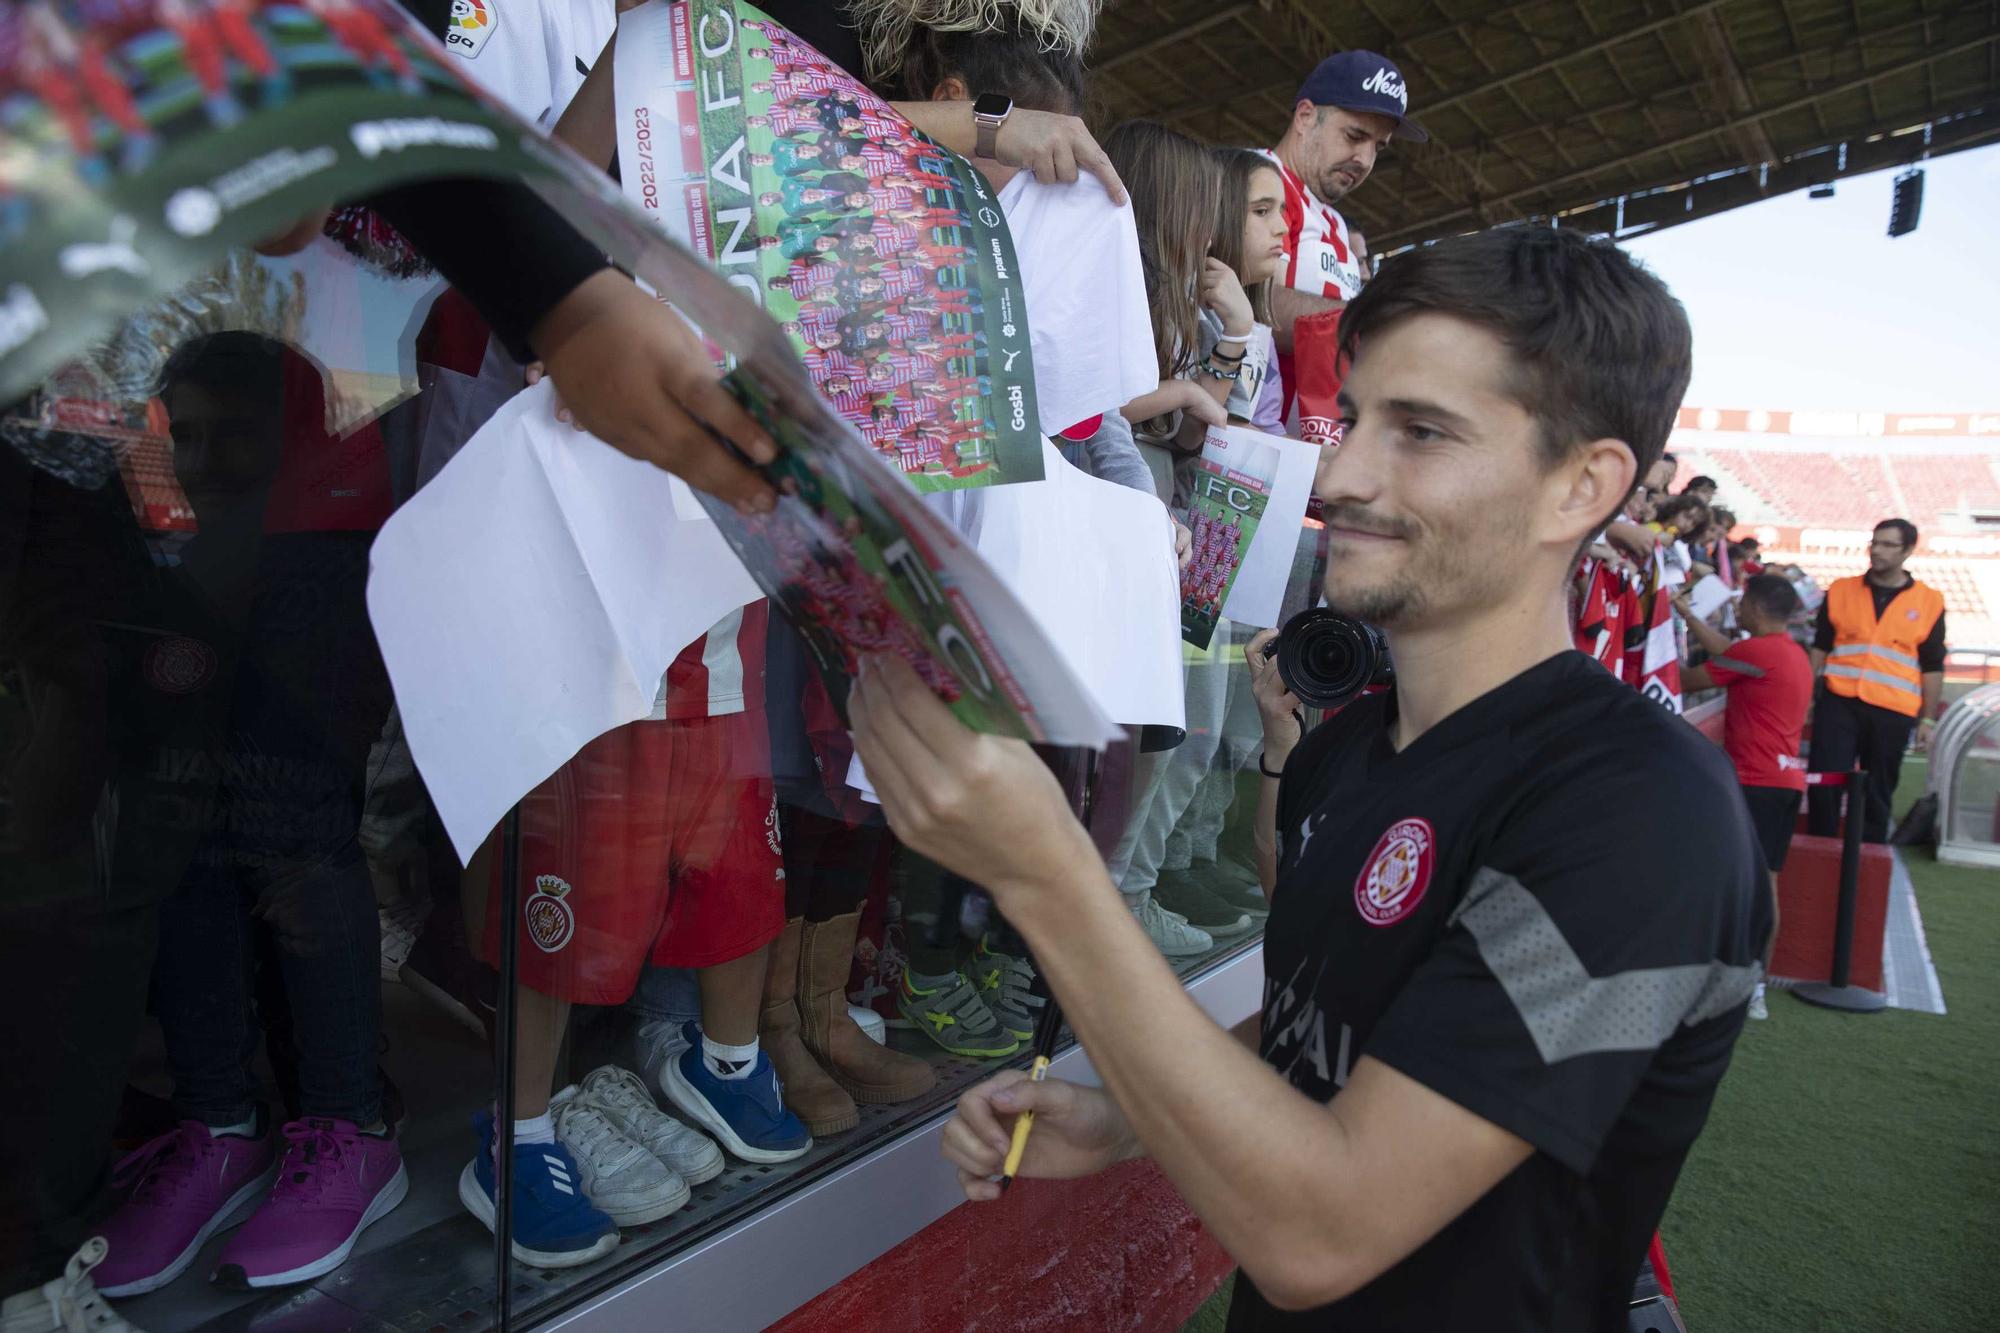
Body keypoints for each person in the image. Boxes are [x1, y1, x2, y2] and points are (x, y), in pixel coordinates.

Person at [852, 225, 1769, 1330]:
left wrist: (1045, 869)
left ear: (1581, 487)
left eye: (1420, 432)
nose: (1336, 475)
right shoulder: (1346, 743)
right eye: (1350, 420)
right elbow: (1328, 1021)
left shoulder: (1639, 809)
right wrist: (1125, 1120)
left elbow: (1317, 1233)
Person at [1257, 50, 1425, 420]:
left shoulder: (1336, 223)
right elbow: (1250, 300)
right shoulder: (1257, 180)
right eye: (1354, 135)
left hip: (1319, 449)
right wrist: (1371, 320)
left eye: (1377, 147)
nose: (1365, 160)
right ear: (1305, 117)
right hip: (1253, 447)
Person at [1679, 574, 1812, 1021]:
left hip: (1753, 782)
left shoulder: (1755, 653)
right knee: (1765, 885)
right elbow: (1727, 652)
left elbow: (1688, 679)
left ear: (1753, 606)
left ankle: (1719, 979)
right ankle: (1754, 986)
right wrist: (1686, 614)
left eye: (1741, 603)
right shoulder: (1789, 653)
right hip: (1783, 782)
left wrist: (1657, 648)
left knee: (1734, 883)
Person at [1807, 518, 1946, 842]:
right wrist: (1807, 699)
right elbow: (1820, 648)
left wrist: (1927, 718)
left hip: (1893, 710)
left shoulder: (1930, 601)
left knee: (1878, 789)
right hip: (1838, 701)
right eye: (1875, 543)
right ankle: (1819, 848)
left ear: (1908, 550)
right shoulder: (1841, 590)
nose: (1878, 551)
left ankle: (1869, 858)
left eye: (1888, 545)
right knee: (1824, 781)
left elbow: (1932, 665)